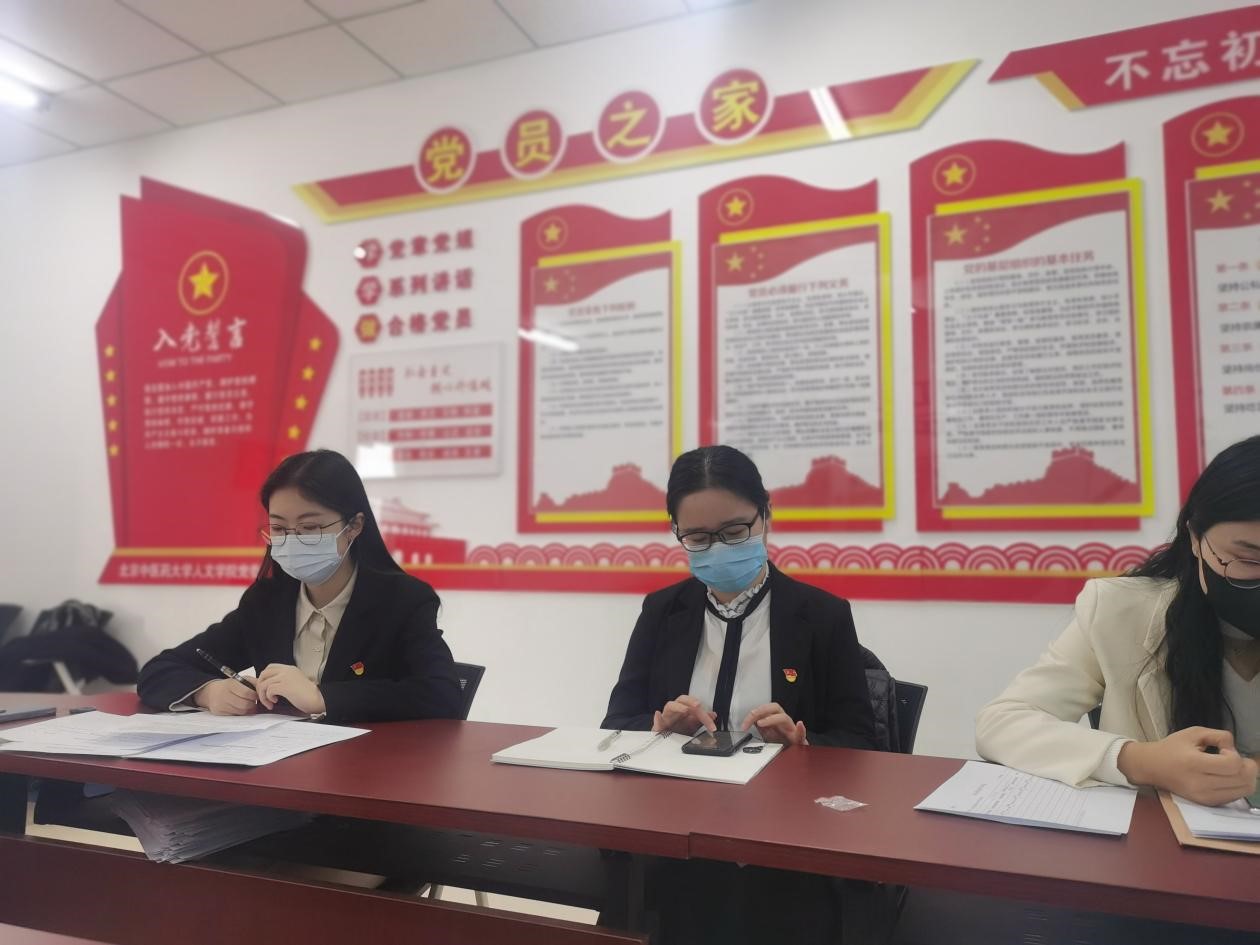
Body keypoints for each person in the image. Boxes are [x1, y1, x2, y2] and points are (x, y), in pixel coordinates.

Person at [602, 444, 877, 945]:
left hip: (783, 847)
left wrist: (803, 747)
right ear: (677, 532)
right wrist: (659, 727)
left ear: (765, 516)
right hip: (678, 839)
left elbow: (861, 744)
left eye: (733, 532)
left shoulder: (822, 615)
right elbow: (616, 723)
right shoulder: (662, 611)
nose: (718, 549)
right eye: (698, 538)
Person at [976, 435, 1260, 807]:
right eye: (1249, 560)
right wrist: (1140, 761)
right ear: (1195, 537)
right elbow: (1003, 724)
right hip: (1161, 839)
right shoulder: (1121, 611)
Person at [138, 449, 462, 724]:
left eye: (309, 527)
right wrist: (209, 693)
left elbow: (442, 694)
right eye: (279, 528)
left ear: (354, 526)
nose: (292, 541)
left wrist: (323, 697)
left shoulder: (402, 601)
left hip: (366, 769)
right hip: (279, 766)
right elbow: (159, 670)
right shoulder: (266, 601)